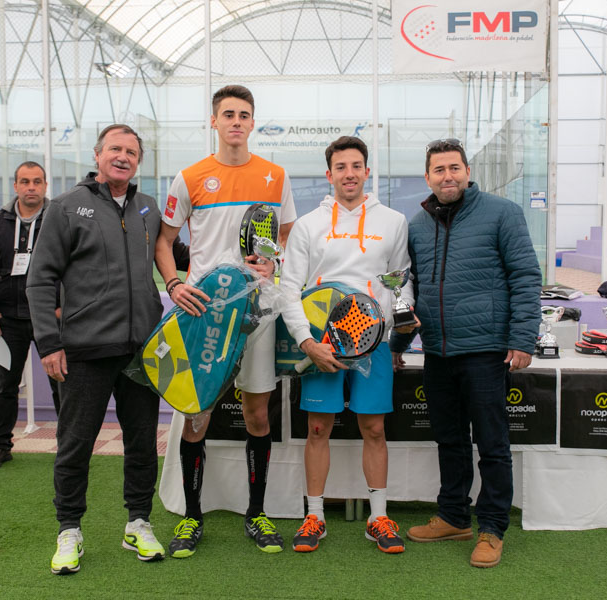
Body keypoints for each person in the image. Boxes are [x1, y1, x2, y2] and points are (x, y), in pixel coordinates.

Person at [154, 84, 296, 557]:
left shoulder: (276, 176)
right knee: (197, 416)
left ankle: (257, 514)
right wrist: (174, 284)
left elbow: (287, 234)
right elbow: (164, 241)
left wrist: (274, 262)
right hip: (206, 313)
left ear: (253, 122)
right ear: (213, 121)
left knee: (257, 414)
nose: (236, 121)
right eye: (228, 114)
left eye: (244, 114)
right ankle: (192, 517)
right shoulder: (189, 177)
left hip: (257, 311)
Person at [394, 138, 541, 568]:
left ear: (467, 172)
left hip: (485, 349)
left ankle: (491, 528)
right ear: (427, 177)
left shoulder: (502, 213)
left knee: (491, 443)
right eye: (439, 170)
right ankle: (454, 516)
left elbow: (525, 276)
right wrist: (399, 345)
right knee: (450, 439)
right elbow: (407, 291)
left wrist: (522, 338)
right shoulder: (417, 225)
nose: (448, 176)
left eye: (455, 168)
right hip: (437, 351)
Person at [27, 125, 167, 575]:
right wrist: (50, 343)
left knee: (142, 444)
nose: (123, 157)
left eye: (131, 152)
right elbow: (40, 279)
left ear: (138, 161)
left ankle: (138, 523)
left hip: (141, 351)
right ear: (97, 155)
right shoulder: (66, 206)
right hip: (84, 350)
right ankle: (69, 530)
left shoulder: (148, 208)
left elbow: (174, 252)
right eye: (115, 149)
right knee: (75, 445)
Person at [279, 136, 413, 554]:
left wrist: (395, 325)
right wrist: (307, 343)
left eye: (356, 166)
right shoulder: (307, 225)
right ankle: (314, 516)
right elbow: (289, 289)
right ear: (329, 174)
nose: (349, 174)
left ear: (366, 171)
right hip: (323, 344)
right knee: (318, 428)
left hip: (374, 344)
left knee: (374, 428)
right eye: (341, 167)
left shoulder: (393, 221)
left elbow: (400, 281)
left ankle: (379, 518)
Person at [0, 161, 61, 471]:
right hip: (8, 319)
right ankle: (0, 445)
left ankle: (69, 446)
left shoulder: (59, 219)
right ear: (15, 186)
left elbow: (73, 267)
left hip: (48, 316)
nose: (31, 187)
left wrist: (62, 305)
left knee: (61, 382)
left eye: (37, 181)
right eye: (25, 181)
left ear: (45, 185)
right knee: (6, 386)